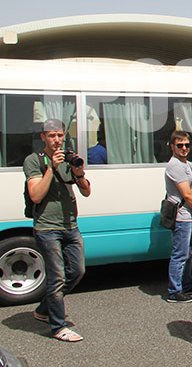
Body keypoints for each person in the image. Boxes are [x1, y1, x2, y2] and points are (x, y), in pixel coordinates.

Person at [25, 118, 91, 342]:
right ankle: (58, 327)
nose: (56, 140)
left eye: (60, 135)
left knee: (77, 271)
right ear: (43, 137)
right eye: (51, 135)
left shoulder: (67, 158)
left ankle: (44, 309)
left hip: (70, 225)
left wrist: (79, 173)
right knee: (57, 277)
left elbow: (86, 192)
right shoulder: (34, 160)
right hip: (47, 228)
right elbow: (36, 195)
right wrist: (51, 168)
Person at [164, 130, 192, 303]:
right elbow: (187, 194)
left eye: (187, 145)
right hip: (181, 217)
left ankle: (187, 284)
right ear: (172, 146)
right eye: (180, 145)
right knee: (180, 254)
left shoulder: (187, 164)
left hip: (190, 215)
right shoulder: (175, 166)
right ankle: (174, 291)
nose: (184, 148)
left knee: (190, 253)